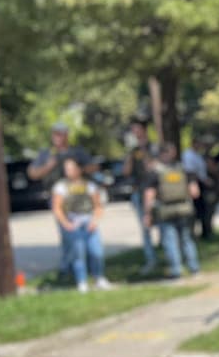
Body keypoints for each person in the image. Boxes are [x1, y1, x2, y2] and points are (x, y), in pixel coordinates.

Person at [29, 122, 94, 277]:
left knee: (86, 234)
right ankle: (68, 268)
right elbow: (32, 173)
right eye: (54, 134)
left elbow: (93, 167)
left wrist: (78, 170)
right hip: (59, 199)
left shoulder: (76, 152)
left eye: (60, 134)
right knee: (67, 234)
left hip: (79, 199)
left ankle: (86, 267)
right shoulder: (47, 154)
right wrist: (48, 166)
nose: (56, 137)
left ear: (66, 135)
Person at [50, 156, 112, 293]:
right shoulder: (60, 187)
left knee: (96, 252)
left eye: (71, 168)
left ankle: (99, 277)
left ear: (79, 169)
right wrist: (66, 224)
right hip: (73, 222)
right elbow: (57, 208)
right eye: (66, 168)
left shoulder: (88, 185)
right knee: (78, 254)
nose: (69, 171)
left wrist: (95, 221)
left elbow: (98, 206)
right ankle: (81, 281)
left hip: (88, 221)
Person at [143, 143, 200, 279]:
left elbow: (149, 194)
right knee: (187, 239)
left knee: (170, 241)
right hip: (184, 209)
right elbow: (195, 192)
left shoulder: (156, 172)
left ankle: (176, 271)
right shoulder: (183, 170)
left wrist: (147, 213)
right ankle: (194, 269)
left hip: (165, 210)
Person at [121, 120, 161, 274]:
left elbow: (152, 167)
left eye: (137, 130)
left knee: (163, 225)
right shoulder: (133, 151)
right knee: (145, 228)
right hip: (139, 192)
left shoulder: (154, 147)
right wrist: (130, 154)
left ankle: (171, 256)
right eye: (133, 130)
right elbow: (126, 171)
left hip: (155, 192)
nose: (135, 133)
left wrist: (145, 152)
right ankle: (151, 259)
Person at [184, 135, 219, 240]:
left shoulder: (198, 155)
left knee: (204, 210)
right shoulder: (189, 155)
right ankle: (193, 234)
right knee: (196, 211)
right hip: (196, 184)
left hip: (203, 184)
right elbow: (191, 172)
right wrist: (203, 181)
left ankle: (205, 232)